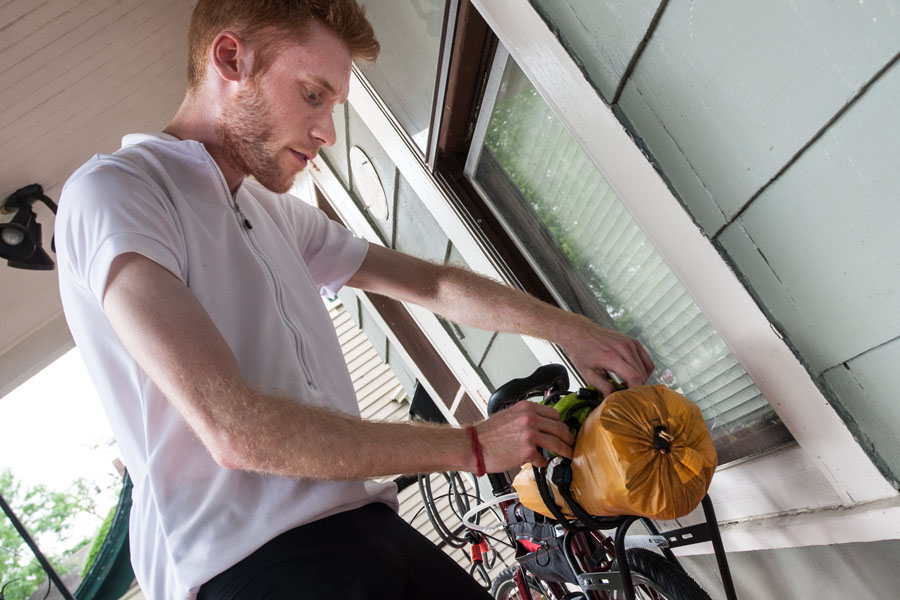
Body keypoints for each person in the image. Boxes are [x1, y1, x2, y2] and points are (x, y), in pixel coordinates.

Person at [54, 1, 654, 598]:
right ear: (231, 58)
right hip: (249, 565)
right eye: (313, 94)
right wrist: (469, 445)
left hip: (369, 527)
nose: (327, 132)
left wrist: (574, 330)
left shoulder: (273, 214)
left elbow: (433, 284)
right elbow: (234, 431)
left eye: (334, 106)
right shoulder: (116, 192)